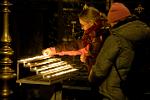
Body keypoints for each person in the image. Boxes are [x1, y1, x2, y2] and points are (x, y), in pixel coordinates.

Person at [88, 2, 150, 100]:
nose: (110, 26)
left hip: (115, 93)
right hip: (138, 89)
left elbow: (100, 70)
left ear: (116, 21)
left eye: (111, 22)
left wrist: (91, 76)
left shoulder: (115, 39)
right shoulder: (145, 33)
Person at [42, 6, 109, 74]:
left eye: (83, 25)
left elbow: (77, 47)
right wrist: (54, 50)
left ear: (91, 23)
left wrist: (86, 60)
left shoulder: (96, 37)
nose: (82, 28)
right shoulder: (100, 32)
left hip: (100, 75)